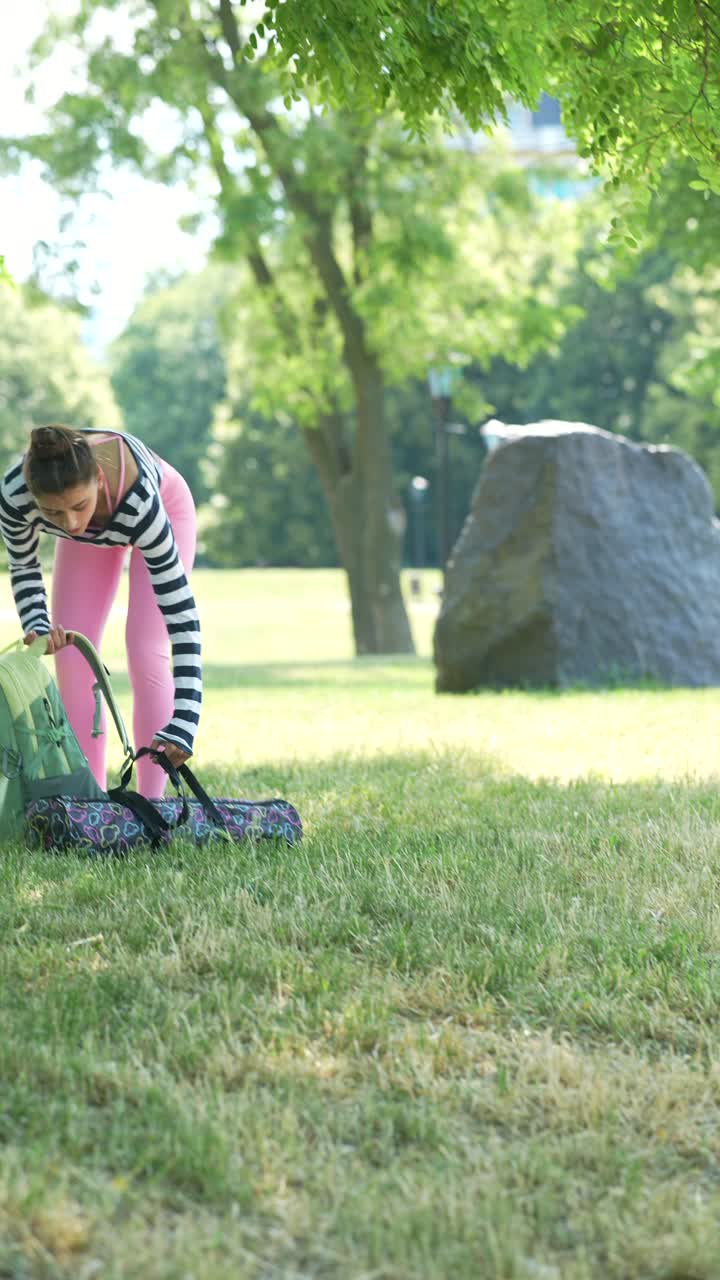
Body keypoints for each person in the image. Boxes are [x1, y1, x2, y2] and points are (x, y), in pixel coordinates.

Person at [0, 424, 201, 799]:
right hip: (95, 536)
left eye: (77, 506)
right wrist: (38, 625)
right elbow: (24, 564)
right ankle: (89, 803)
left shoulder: (140, 500)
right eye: (53, 512)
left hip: (161, 509)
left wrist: (186, 720)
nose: (70, 522)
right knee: (73, 654)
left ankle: (152, 802)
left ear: (95, 478)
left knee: (145, 649)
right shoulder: (15, 495)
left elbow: (181, 616)